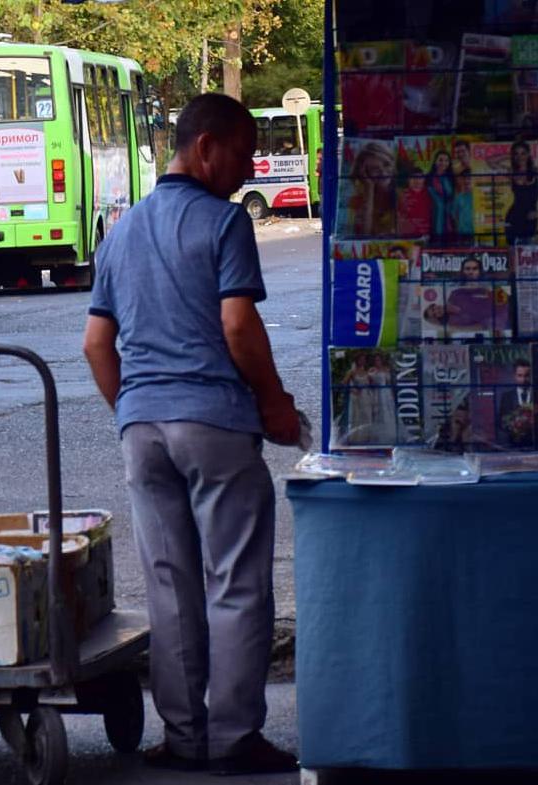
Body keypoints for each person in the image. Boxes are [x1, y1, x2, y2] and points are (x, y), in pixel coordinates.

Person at [82, 93, 300, 777]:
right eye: (239, 152)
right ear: (204, 146)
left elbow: (95, 344)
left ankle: (182, 737)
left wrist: (134, 410)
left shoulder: (119, 231)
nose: (246, 167)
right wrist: (274, 402)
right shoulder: (224, 222)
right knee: (235, 581)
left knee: (169, 585)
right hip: (214, 422)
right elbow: (237, 326)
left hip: (141, 427)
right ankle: (233, 738)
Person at [344, 141, 396, 236]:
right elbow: (364, 234)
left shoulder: (402, 191)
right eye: (375, 169)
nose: (383, 173)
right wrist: (369, 189)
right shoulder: (357, 198)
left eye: (386, 165)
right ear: (364, 173)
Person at [505, 140, 538, 243]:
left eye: (523, 153)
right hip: (514, 217)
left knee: (528, 251)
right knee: (512, 249)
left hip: (531, 216)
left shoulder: (536, 171)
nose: (520, 157)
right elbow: (490, 162)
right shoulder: (512, 173)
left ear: (528, 154)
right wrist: (508, 156)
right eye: (516, 154)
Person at [497, 359, 534, 447]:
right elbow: (502, 421)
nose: (523, 379)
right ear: (514, 376)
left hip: (535, 442)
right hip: (512, 443)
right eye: (520, 376)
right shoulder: (507, 397)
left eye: (527, 376)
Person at [426, 149, 454, 239]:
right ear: (435, 161)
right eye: (440, 160)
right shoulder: (429, 178)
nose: (443, 163)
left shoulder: (451, 177)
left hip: (449, 217)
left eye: (446, 160)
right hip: (433, 216)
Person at [396, 167, 431, 237]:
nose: (417, 181)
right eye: (413, 178)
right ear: (408, 180)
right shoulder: (401, 195)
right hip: (408, 236)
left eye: (420, 178)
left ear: (424, 179)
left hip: (428, 235)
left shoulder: (431, 194)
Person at [451, 139, 473, 238]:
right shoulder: (456, 170)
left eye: (463, 151)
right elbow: (454, 214)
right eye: (457, 152)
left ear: (469, 151)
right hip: (463, 229)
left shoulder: (478, 166)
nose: (460, 154)